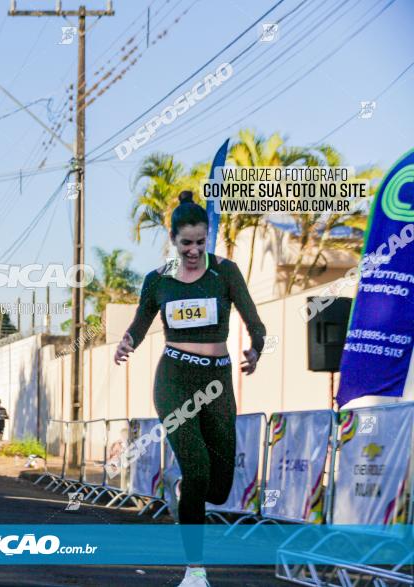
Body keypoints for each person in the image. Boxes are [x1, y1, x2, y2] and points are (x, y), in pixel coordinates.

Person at [113, 191, 265, 587]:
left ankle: (183, 490)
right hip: (175, 380)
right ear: (173, 240)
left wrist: (257, 348)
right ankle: (195, 570)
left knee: (219, 487)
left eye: (200, 241)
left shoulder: (226, 272)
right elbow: (140, 322)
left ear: (207, 236)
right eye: (186, 243)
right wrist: (127, 341)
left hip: (217, 381)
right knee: (197, 466)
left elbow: (255, 320)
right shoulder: (158, 280)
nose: (194, 250)